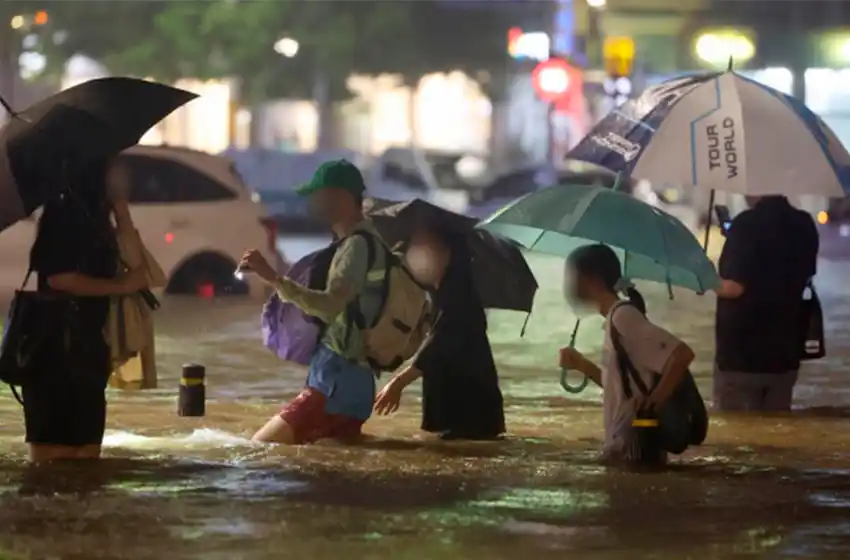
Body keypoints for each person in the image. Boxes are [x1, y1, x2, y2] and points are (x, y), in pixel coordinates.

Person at [242, 159, 387, 445]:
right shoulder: (368, 241)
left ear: (341, 197)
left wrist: (273, 278)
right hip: (353, 382)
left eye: (318, 195)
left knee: (258, 450)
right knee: (329, 473)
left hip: (335, 381)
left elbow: (330, 305)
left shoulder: (356, 247)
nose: (312, 202)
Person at [23, 160, 150, 462]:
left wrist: (122, 212)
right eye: (114, 169)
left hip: (89, 349)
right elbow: (60, 278)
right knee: (51, 459)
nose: (123, 175)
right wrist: (120, 287)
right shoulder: (63, 214)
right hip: (54, 350)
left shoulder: (101, 220)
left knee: (88, 456)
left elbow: (139, 269)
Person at [557, 244, 695, 463]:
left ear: (591, 279)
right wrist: (582, 365)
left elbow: (682, 355)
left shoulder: (623, 317)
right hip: (625, 447)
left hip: (636, 447)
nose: (568, 285)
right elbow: (623, 387)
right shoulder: (614, 320)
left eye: (572, 276)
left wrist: (652, 404)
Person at [373, 225, 506, 440]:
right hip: (464, 412)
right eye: (413, 247)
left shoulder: (459, 294)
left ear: (447, 253)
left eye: (422, 246)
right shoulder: (444, 291)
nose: (414, 254)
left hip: (469, 413)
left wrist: (397, 383)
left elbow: (437, 345)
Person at [713, 195, 819, 411]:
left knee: (738, 433)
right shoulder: (804, 224)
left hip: (742, 354)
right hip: (786, 351)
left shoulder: (745, 225)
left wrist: (702, 277)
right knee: (776, 422)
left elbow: (733, 288)